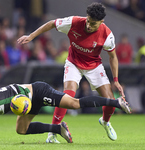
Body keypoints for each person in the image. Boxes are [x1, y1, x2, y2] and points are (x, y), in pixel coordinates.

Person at [17, 2, 125, 142]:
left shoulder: (107, 35)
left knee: (110, 101)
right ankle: (52, 133)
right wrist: (31, 36)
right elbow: (51, 23)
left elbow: (113, 57)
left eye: (93, 24)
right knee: (67, 96)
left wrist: (115, 80)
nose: (88, 25)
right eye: (88, 21)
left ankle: (105, 121)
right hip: (73, 63)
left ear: (101, 22)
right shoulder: (73, 22)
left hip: (94, 66)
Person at [0, 81, 131, 144]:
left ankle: (116, 102)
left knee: (74, 104)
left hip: (38, 91)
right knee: (21, 129)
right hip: (28, 101)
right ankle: (58, 129)